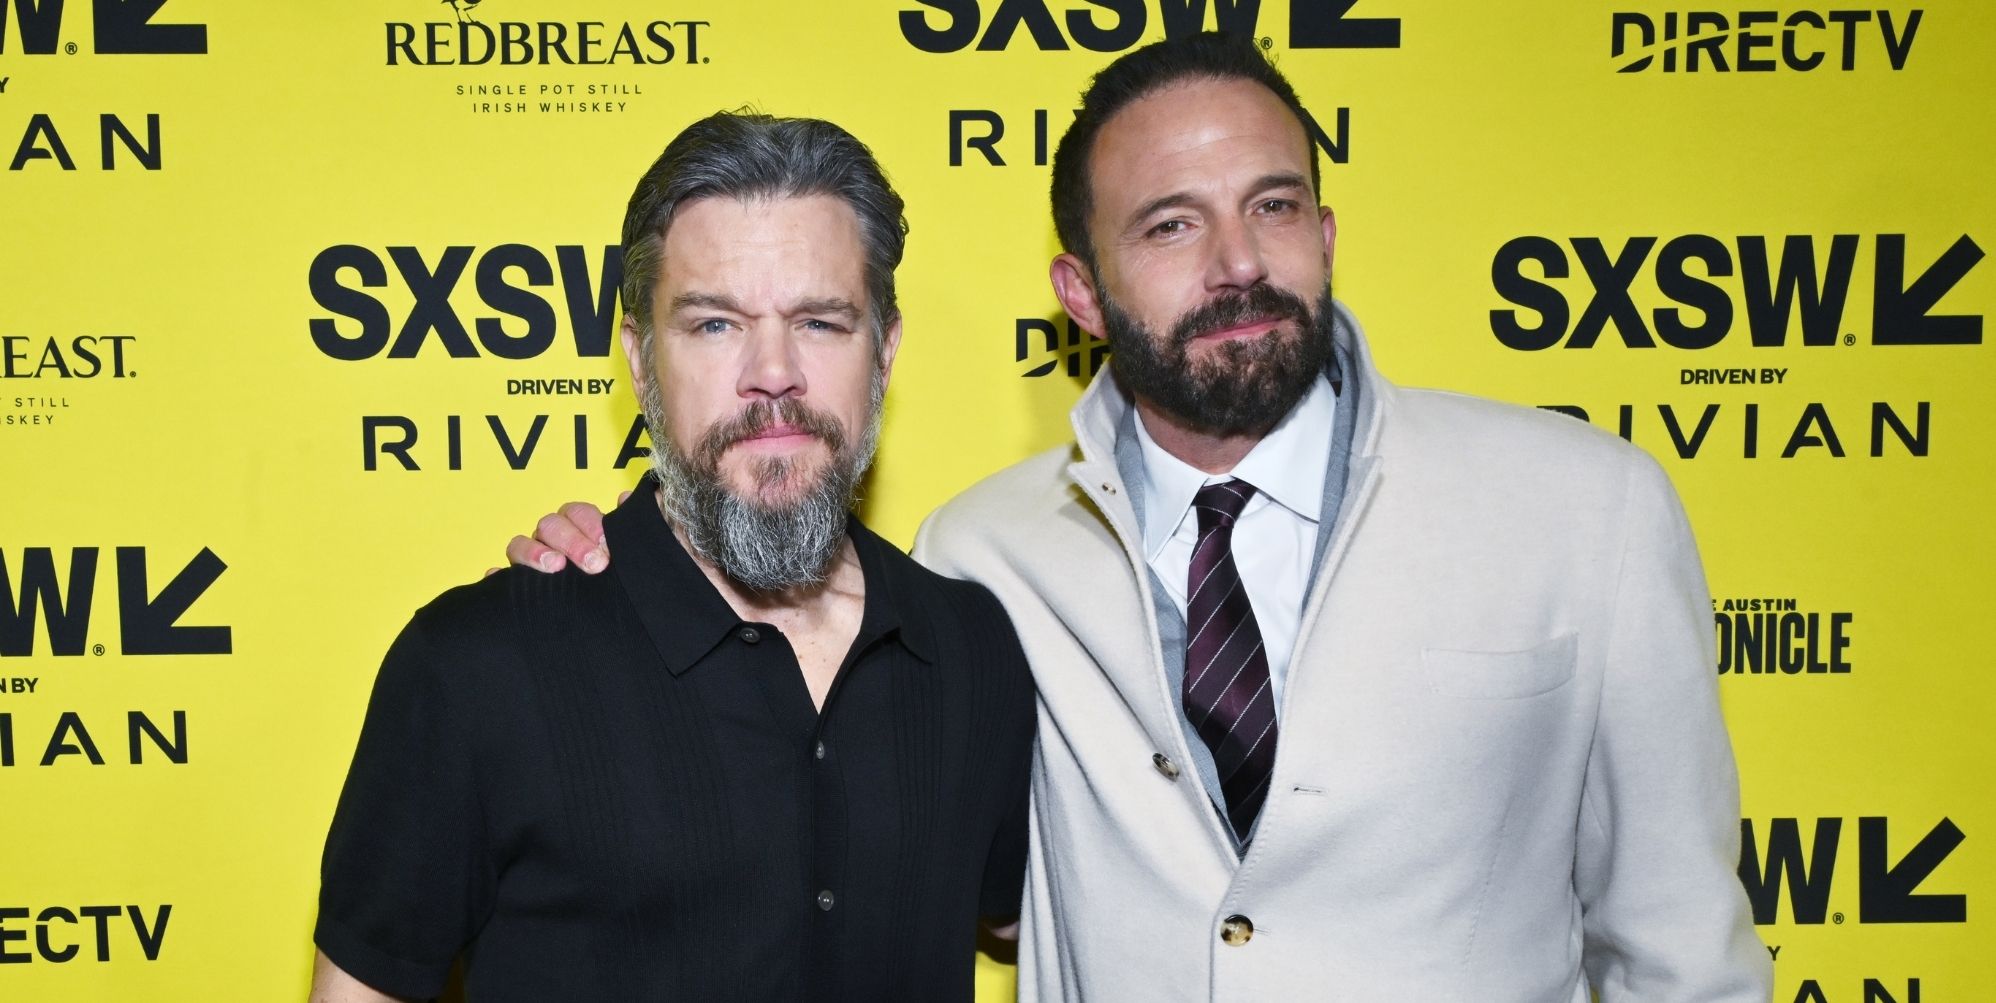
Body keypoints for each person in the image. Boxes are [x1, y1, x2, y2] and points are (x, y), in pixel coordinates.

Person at [515, 34, 1770, 1001]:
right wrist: (625, 574)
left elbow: (1682, 951)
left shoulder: (1584, 505)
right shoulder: (975, 559)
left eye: (1274, 206)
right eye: (1171, 225)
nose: (1239, 262)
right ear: (1082, 292)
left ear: (1326, 232)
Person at [312, 112, 1035, 1002]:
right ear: (640, 359)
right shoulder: (476, 666)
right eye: (716, 324)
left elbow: (1040, 916)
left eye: (819, 321)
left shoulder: (973, 646)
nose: (774, 372)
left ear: (884, 352)